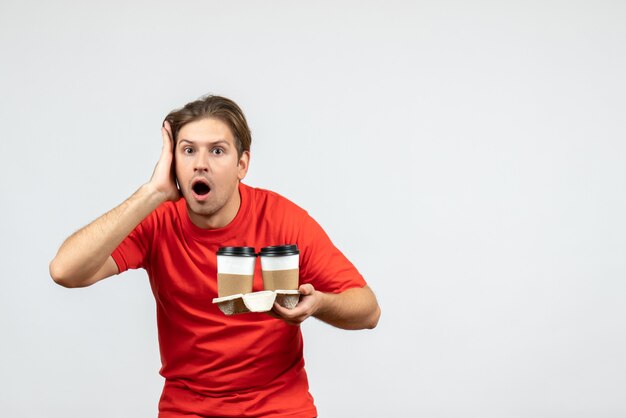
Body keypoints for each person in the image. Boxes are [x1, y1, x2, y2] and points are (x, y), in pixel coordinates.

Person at [49, 95, 381, 418]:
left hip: (279, 407)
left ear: (242, 164)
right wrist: (152, 193)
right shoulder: (158, 220)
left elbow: (368, 311)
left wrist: (319, 304)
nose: (200, 163)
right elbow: (65, 271)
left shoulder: (283, 220)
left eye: (217, 151)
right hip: (188, 408)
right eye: (188, 150)